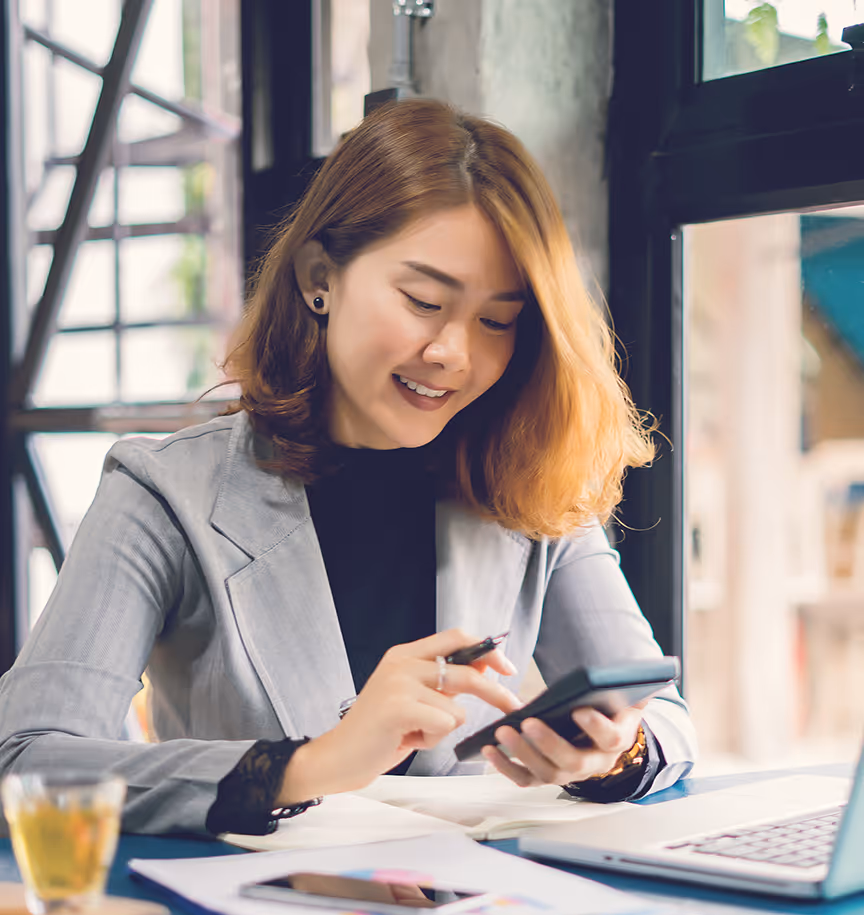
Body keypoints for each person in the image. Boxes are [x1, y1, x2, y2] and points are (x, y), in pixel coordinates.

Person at [0, 99, 695, 836]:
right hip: (251, 903)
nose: (453, 354)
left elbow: (663, 719)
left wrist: (611, 753)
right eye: (423, 301)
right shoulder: (164, 492)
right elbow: (26, 759)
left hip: (476, 901)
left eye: (497, 320)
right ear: (318, 279)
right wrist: (312, 764)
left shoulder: (527, 478)